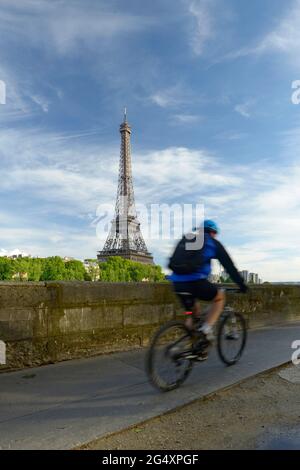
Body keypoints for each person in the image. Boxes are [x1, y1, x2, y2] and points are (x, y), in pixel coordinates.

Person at [169, 220, 248, 358]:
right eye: (215, 233)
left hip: (177, 283)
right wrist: (241, 285)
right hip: (196, 282)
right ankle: (206, 329)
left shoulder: (188, 239)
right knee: (219, 297)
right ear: (212, 232)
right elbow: (229, 267)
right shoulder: (212, 243)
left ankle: (190, 349)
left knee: (192, 314)